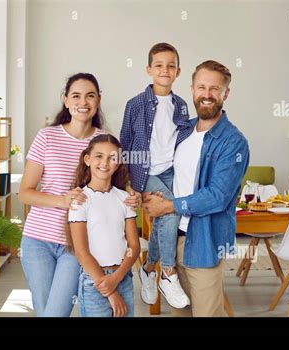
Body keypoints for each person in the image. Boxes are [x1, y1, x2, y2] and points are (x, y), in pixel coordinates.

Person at [18, 73, 141, 317]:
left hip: (76, 246)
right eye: (75, 95)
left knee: (55, 313)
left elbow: (114, 186)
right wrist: (61, 200)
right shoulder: (47, 136)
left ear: (98, 101)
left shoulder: (102, 141)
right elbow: (25, 193)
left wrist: (132, 196)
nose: (82, 102)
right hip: (37, 241)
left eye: (90, 96)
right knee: (45, 313)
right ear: (65, 100)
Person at [143, 60, 250, 317]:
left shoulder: (233, 142)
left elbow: (217, 197)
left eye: (215, 89)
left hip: (204, 243)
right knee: (180, 314)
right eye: (201, 87)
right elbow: (161, 168)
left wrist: (168, 206)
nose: (207, 94)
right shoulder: (183, 130)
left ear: (226, 93)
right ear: (191, 88)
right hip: (172, 239)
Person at [120, 42, 192, 309]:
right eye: (159, 65)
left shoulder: (182, 105)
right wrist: (129, 183)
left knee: (168, 215)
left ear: (178, 71)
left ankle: (149, 267)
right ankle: (168, 272)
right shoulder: (135, 104)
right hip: (145, 171)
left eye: (171, 65)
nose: (165, 70)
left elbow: (184, 140)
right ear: (149, 69)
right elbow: (125, 141)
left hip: (172, 171)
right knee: (171, 210)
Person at [68, 134, 140, 317]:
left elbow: (134, 246)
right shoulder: (80, 200)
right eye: (99, 156)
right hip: (94, 281)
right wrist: (110, 290)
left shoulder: (125, 198)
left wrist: (116, 279)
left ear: (118, 163)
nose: (105, 162)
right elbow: (81, 252)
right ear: (87, 159)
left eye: (112, 158)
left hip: (123, 277)